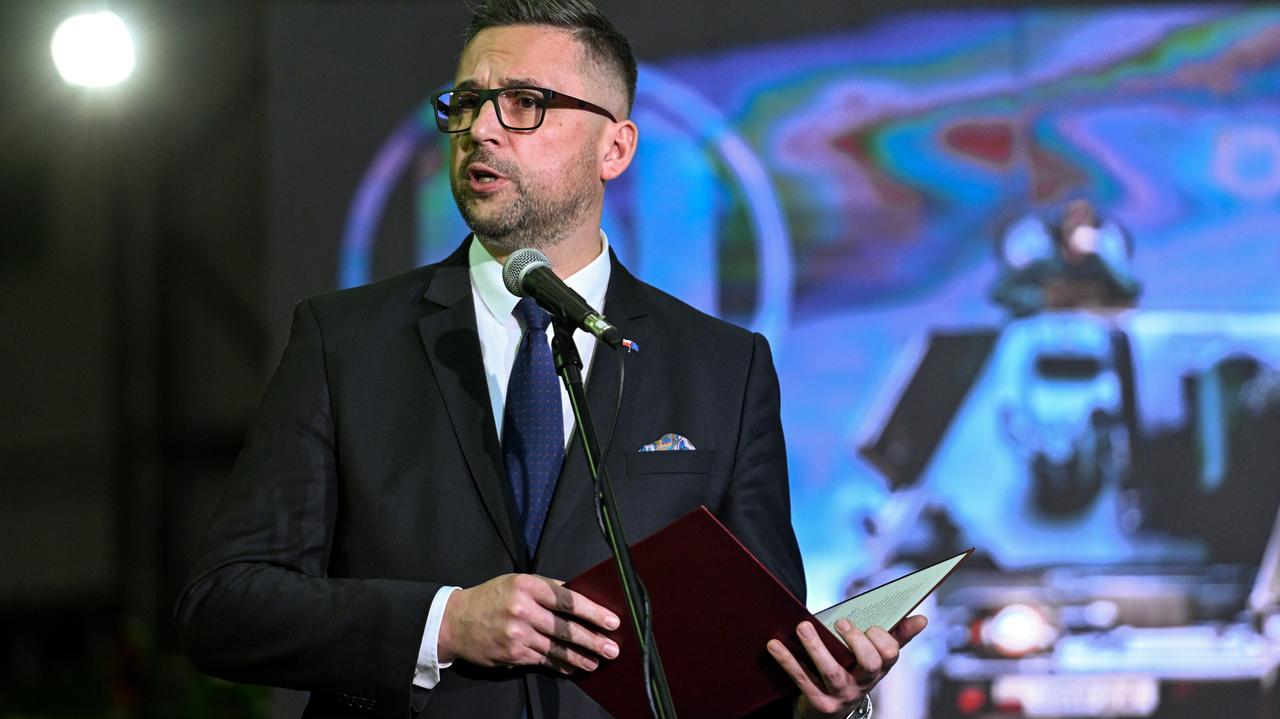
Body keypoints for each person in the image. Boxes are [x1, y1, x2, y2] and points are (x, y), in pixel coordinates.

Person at [175, 1, 924, 717]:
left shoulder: (723, 369)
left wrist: (818, 699)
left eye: (525, 103)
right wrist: (444, 623)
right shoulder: (345, 341)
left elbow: (756, 657)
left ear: (615, 148)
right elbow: (223, 607)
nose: (481, 130)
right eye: (467, 103)